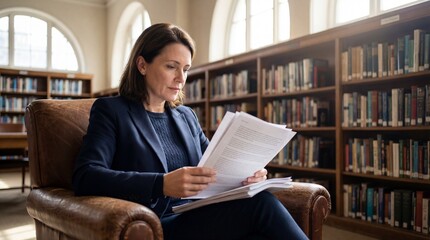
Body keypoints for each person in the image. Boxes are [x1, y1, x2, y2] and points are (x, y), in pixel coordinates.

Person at [72, 23, 308, 240]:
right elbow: (86, 176)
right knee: (262, 206)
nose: (181, 79)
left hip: (197, 215)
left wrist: (246, 177)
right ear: (142, 65)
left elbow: (213, 167)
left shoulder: (186, 116)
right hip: (154, 224)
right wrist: (161, 184)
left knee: (259, 214)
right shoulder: (111, 111)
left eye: (185, 69)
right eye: (171, 67)